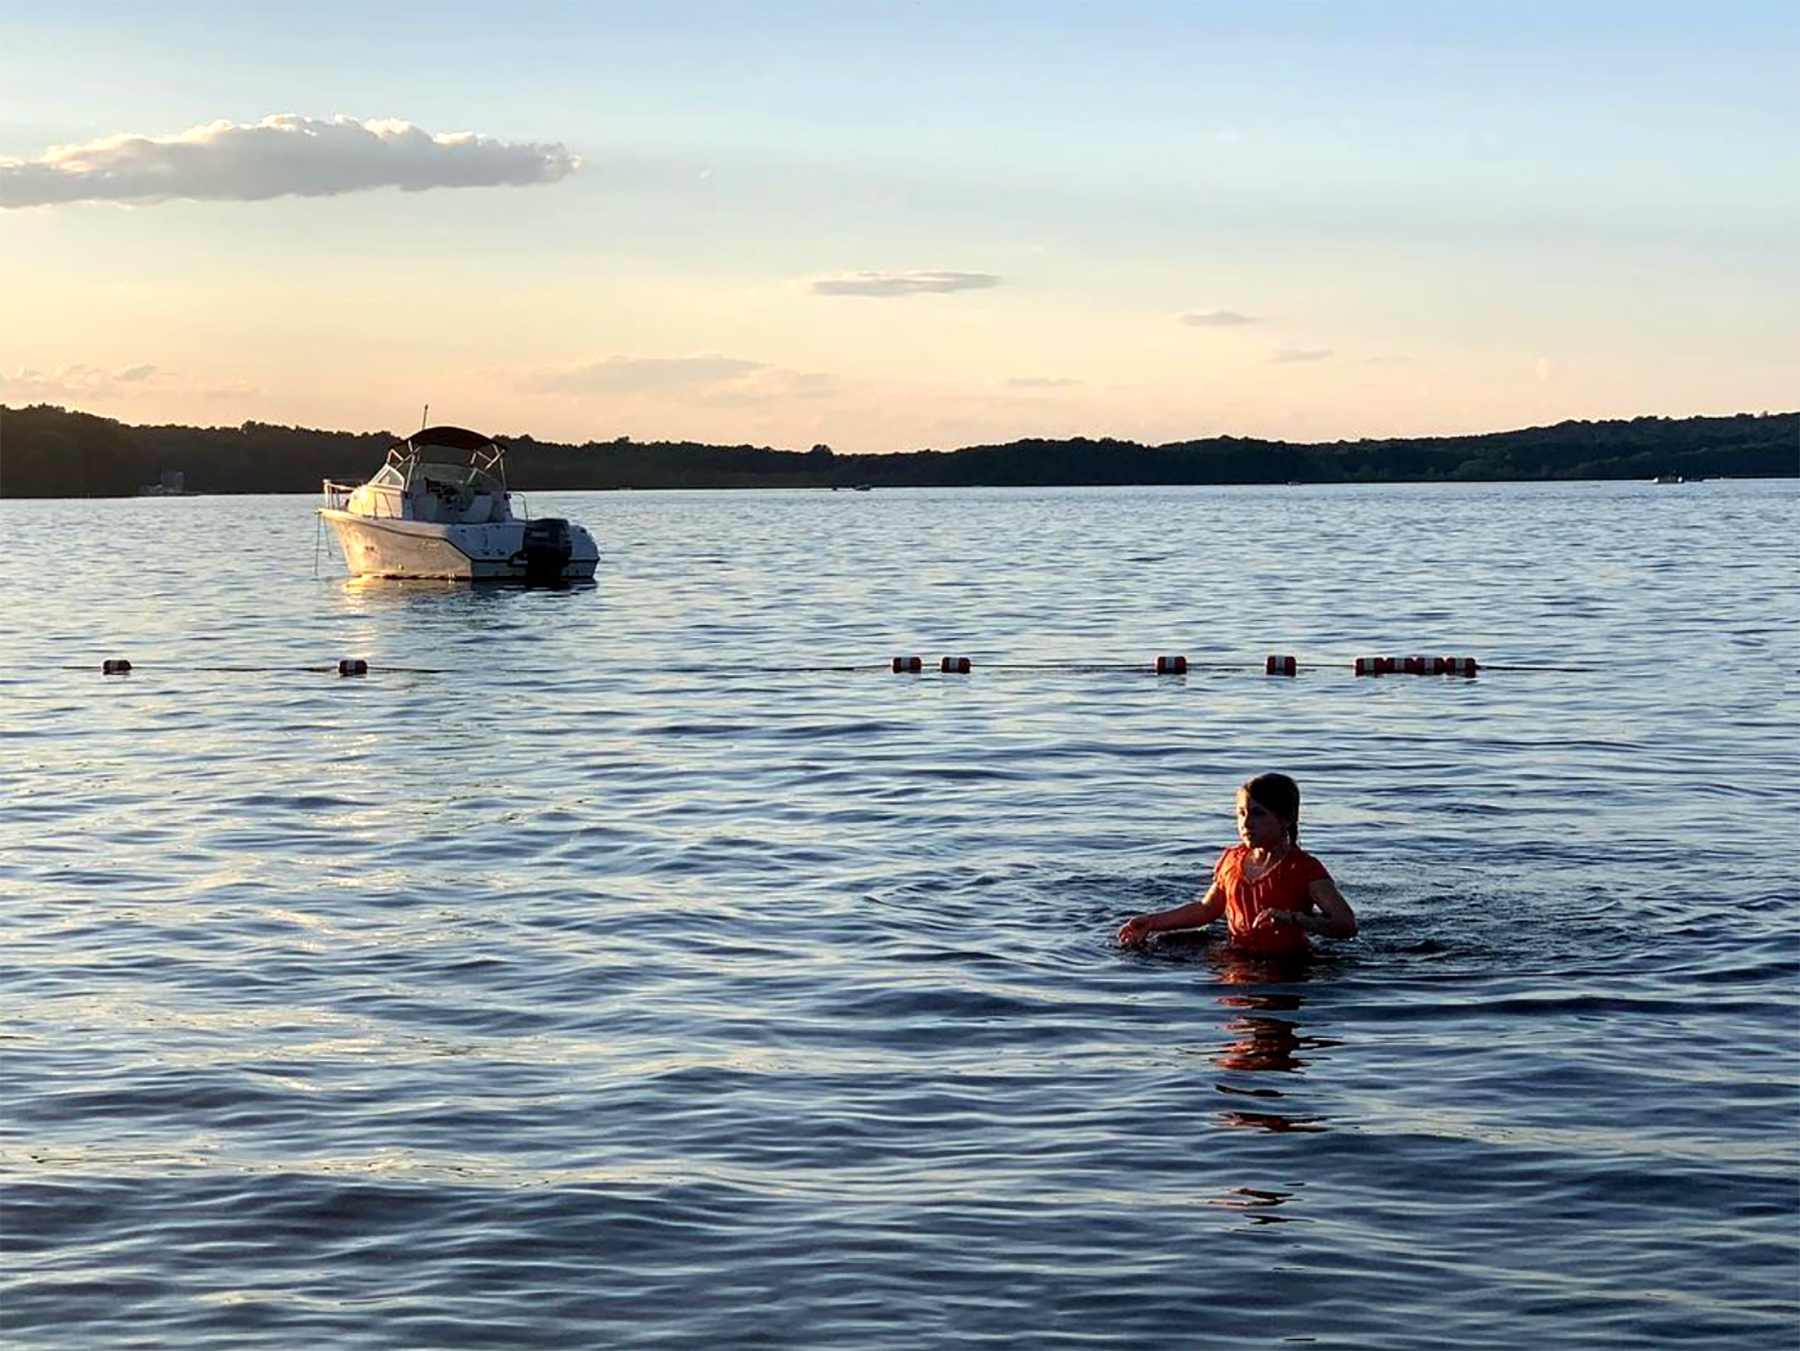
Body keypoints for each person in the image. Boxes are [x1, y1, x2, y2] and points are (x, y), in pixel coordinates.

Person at [1117, 772, 1356, 954]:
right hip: (1236, 958)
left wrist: (1290, 918)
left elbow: (1345, 924)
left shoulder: (1303, 869)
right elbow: (1207, 909)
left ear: (1287, 818)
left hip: (1289, 965)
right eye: (1241, 813)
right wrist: (1152, 922)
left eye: (1258, 813)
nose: (1247, 823)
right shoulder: (1232, 859)